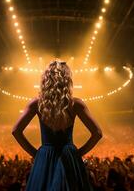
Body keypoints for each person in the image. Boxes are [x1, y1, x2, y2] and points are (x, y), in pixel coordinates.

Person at [12, 60, 103, 191]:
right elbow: (97, 133)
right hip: (69, 156)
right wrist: (78, 153)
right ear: (67, 80)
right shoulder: (76, 104)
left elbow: (16, 131)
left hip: (45, 156)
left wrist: (35, 153)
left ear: (45, 80)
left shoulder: (37, 104)